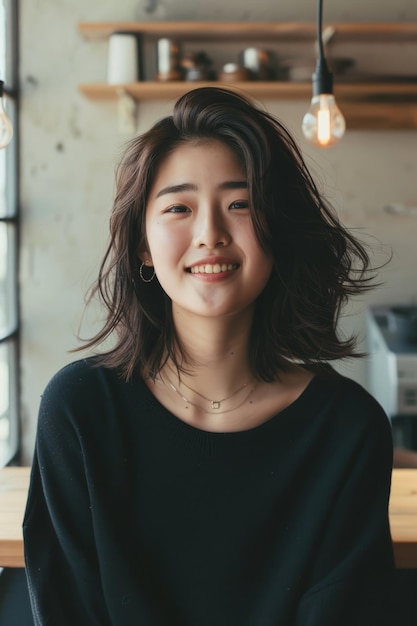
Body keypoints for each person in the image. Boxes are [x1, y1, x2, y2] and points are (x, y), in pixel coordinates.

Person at [23, 86, 394, 626]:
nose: (210, 235)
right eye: (179, 207)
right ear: (143, 245)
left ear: (278, 231)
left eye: (239, 204)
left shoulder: (348, 429)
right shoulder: (80, 411)